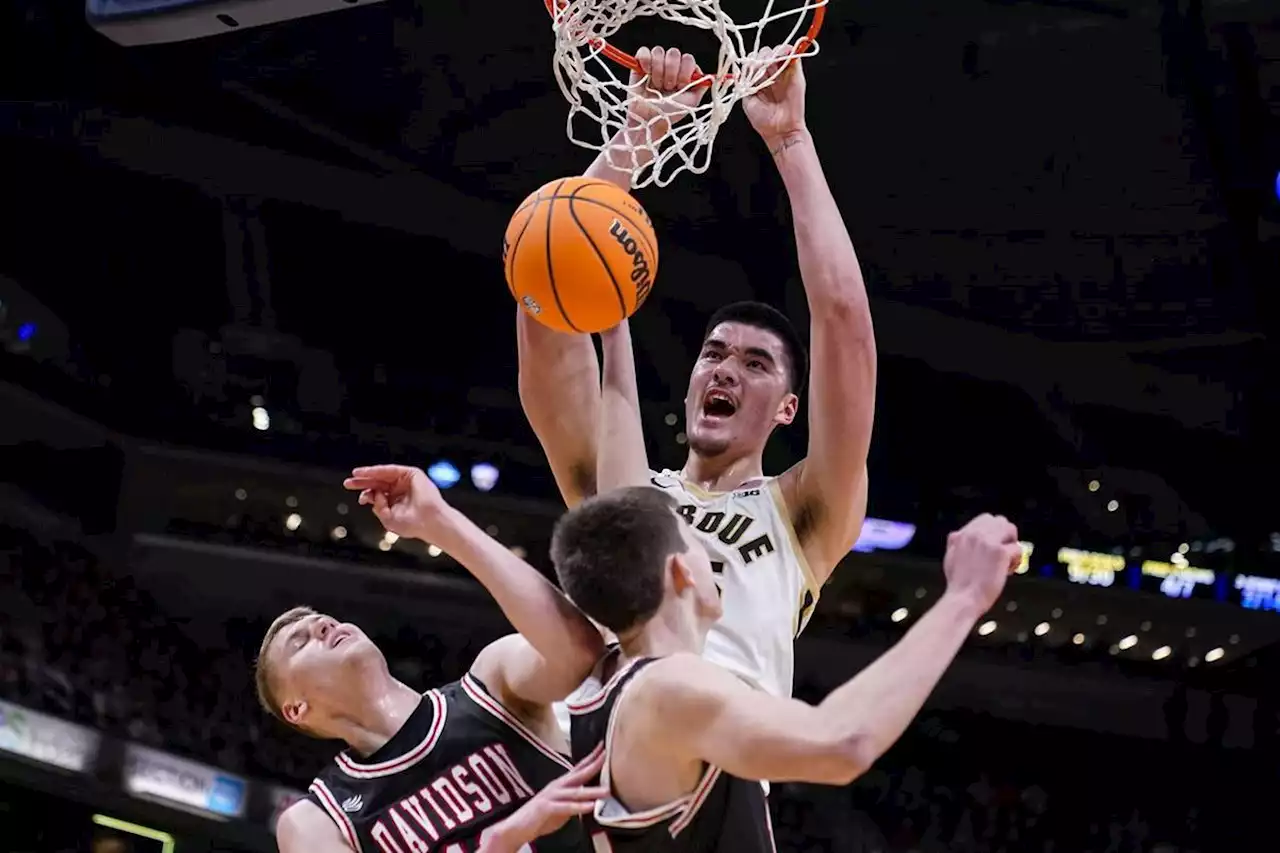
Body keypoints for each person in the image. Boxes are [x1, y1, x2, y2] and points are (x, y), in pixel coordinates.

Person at [518, 45, 876, 701]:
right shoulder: (621, 488)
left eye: (755, 363)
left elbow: (846, 322)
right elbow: (546, 304)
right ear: (689, 384)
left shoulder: (802, 511)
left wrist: (791, 141)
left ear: (788, 408)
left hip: (722, 768)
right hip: (602, 757)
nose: (727, 370)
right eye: (714, 354)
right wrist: (638, 133)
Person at [551, 486, 1022, 851]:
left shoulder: (604, 680)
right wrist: (964, 597)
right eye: (701, 545)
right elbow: (843, 741)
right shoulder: (667, 686)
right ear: (682, 572)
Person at [265, 465, 607, 853]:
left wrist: (439, 522)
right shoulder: (317, 821)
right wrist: (502, 842)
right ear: (296, 708)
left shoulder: (490, 685)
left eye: (323, 620)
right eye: (300, 641)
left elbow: (579, 650)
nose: (323, 625)